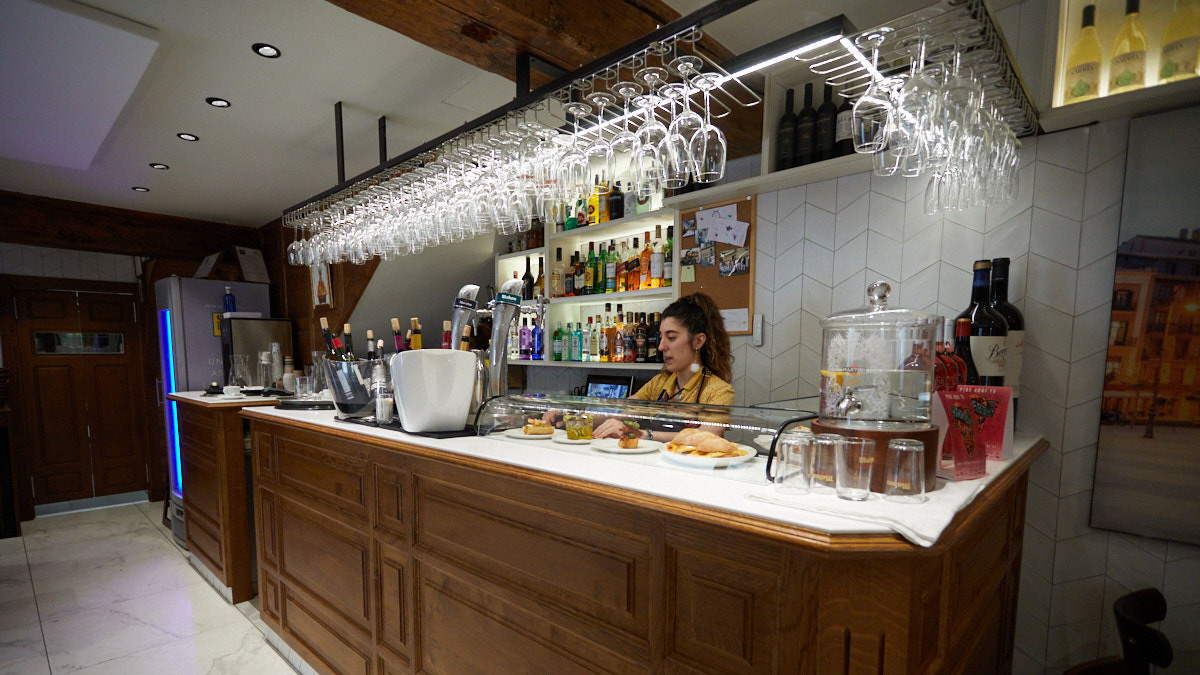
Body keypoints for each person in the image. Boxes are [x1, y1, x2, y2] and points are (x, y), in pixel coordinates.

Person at [591, 292, 734, 441]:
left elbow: (708, 435)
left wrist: (644, 435)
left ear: (698, 341)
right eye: (661, 337)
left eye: (671, 338)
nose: (661, 346)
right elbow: (625, 411)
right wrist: (580, 417)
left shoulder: (718, 390)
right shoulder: (660, 383)